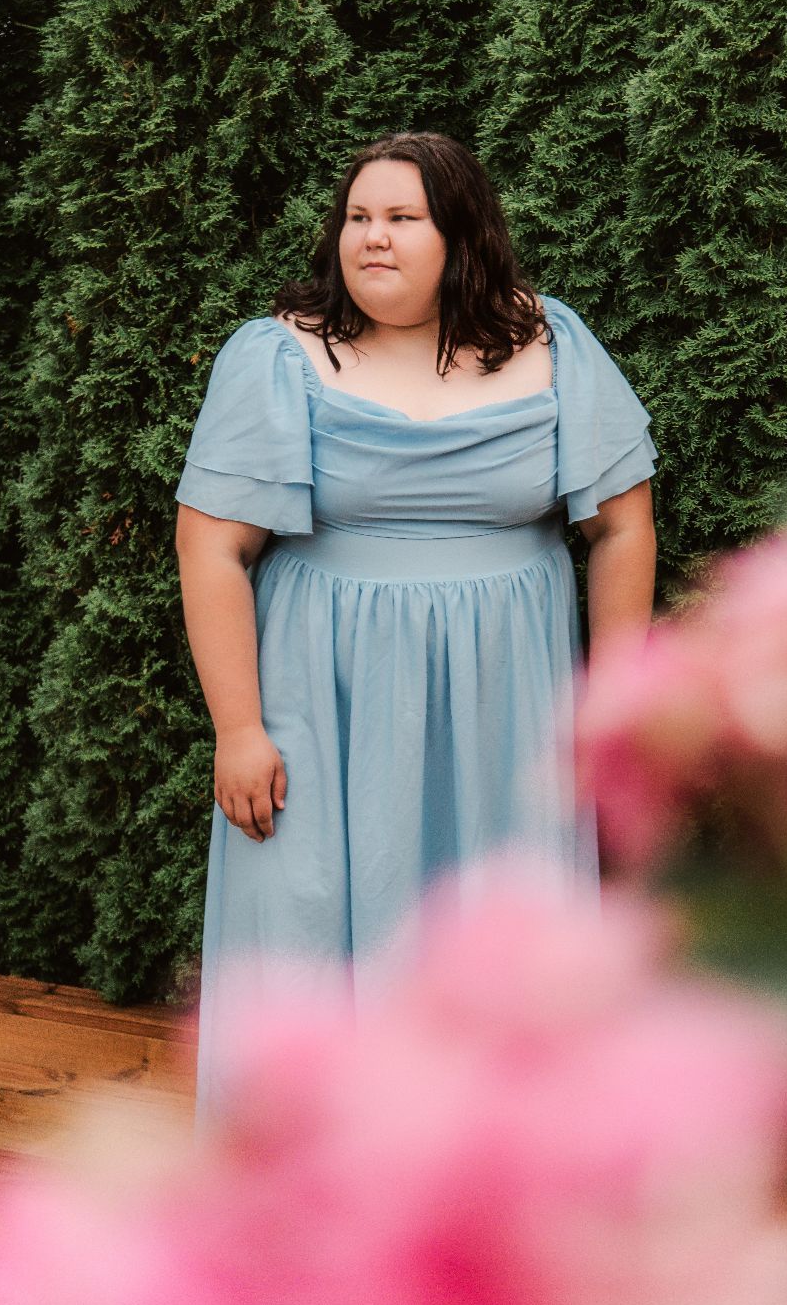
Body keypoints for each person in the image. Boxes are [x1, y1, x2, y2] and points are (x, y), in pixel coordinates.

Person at [174, 131, 657, 1110]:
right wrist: (239, 727)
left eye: (402, 217)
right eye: (358, 217)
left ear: (461, 235)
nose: (372, 238)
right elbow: (211, 547)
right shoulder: (279, 356)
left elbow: (623, 527)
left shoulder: (552, 345)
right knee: (308, 937)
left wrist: (614, 710)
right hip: (324, 708)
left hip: (506, 711)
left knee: (506, 947)